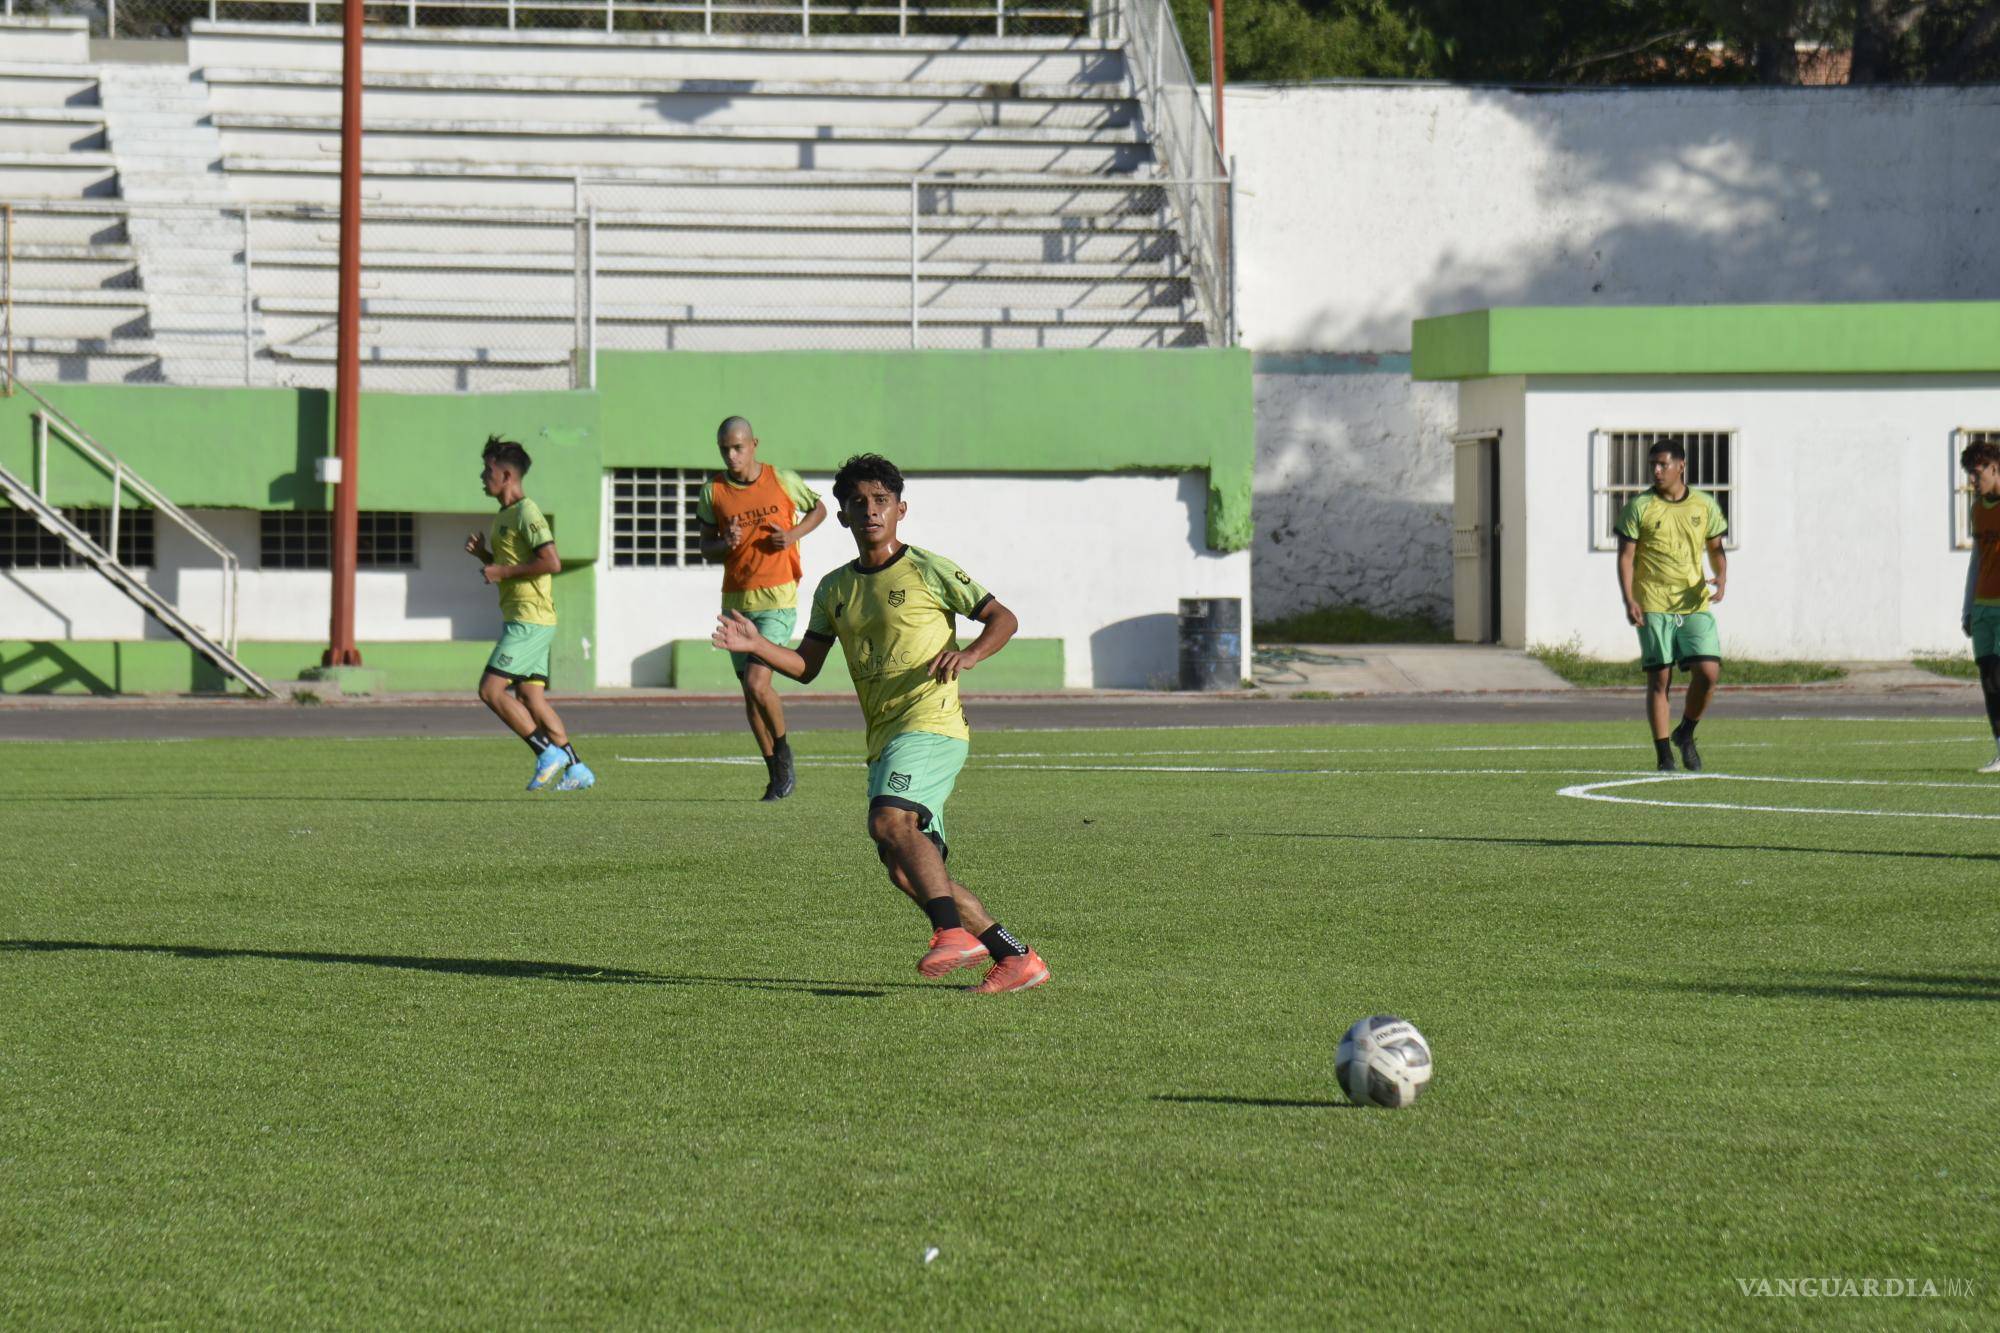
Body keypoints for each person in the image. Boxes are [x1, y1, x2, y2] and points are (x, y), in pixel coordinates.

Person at [711, 453, 1049, 994]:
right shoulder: (833, 589)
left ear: (900, 509)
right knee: (905, 866)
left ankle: (950, 934)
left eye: (881, 501)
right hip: (885, 736)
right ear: (842, 516)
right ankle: (1017, 958)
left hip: (932, 724)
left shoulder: (928, 569)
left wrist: (970, 656)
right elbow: (806, 667)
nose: (870, 510)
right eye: (858, 503)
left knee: (890, 822)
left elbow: (1001, 618)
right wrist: (757, 645)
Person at [696, 417, 827, 800]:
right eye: (724, 448)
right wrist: (726, 542)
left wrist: (793, 535)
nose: (731, 455)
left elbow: (818, 510)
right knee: (749, 693)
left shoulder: (781, 479)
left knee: (758, 682)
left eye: (737, 447)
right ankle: (775, 774)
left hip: (777, 599)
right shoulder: (713, 492)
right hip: (737, 601)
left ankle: (783, 751)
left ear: (754, 443)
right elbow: (706, 547)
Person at [465, 435, 594, 792]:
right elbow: (511, 565)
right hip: (529, 618)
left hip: (529, 620)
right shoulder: (504, 516)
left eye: (487, 469)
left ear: (506, 475)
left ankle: (545, 752)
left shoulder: (526, 512)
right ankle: (576, 768)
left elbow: (550, 561)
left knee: (490, 690)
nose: (482, 476)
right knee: (530, 698)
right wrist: (486, 559)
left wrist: (500, 572)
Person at [1615, 438, 1728, 772]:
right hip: (1653, 602)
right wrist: (1629, 598)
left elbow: (1716, 547)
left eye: (1663, 464)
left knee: (1708, 673)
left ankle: (1686, 733)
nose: (1657, 470)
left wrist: (1722, 576)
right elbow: (1626, 556)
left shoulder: (1704, 505)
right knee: (1660, 680)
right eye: (1653, 465)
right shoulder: (1640, 506)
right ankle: (1664, 755)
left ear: (1682, 465)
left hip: (1693, 603)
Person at [1959, 439, 2000, 774]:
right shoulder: (1977, 509)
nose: (1973, 481)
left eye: (1976, 474)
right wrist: (1967, 608)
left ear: (1994, 468)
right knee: (1989, 680)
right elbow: (1976, 560)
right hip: (1984, 607)